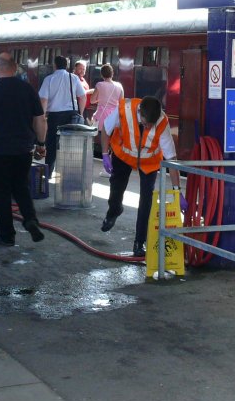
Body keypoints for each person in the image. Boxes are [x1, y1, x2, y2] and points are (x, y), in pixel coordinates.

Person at [0, 53, 48, 247]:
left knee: (2, 194)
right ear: (15, 69)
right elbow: (40, 119)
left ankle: (7, 236)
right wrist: (41, 143)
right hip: (23, 150)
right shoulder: (27, 89)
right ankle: (30, 219)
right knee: (21, 187)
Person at [100, 96, 181, 258]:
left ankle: (139, 242)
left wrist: (177, 190)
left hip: (148, 162)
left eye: (151, 124)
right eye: (145, 124)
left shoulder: (162, 123)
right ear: (139, 113)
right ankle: (114, 211)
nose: (148, 127)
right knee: (116, 189)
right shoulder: (125, 109)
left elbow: (172, 159)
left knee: (146, 201)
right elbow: (105, 128)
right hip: (123, 155)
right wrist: (104, 154)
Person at [38, 56, 87, 178]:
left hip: (54, 116)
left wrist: (43, 116)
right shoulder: (74, 78)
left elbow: (43, 99)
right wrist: (80, 113)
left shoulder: (49, 79)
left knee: (52, 144)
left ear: (54, 65)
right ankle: (68, 174)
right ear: (66, 65)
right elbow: (83, 96)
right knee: (70, 145)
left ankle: (48, 172)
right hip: (71, 115)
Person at [90, 63, 124, 169]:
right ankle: (113, 166)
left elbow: (92, 100)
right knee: (113, 143)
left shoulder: (99, 85)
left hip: (102, 116)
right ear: (112, 73)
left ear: (102, 74)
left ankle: (106, 168)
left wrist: (101, 99)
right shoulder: (119, 86)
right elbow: (122, 103)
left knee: (104, 143)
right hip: (114, 117)